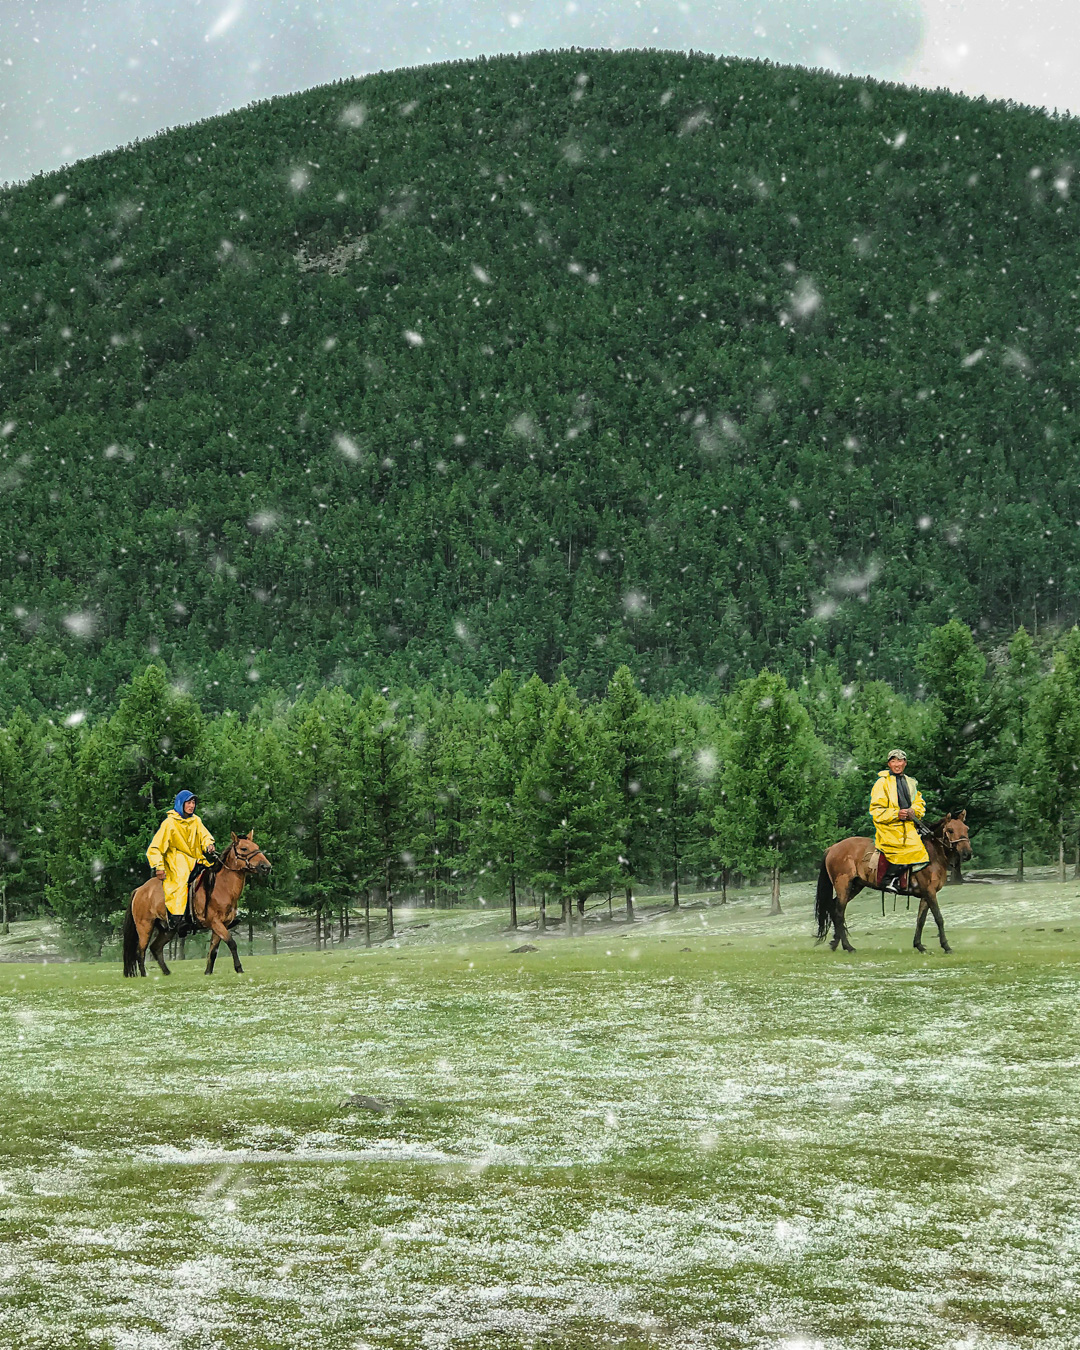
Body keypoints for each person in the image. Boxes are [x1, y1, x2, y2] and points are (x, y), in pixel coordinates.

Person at [147, 790, 217, 930]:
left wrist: (209, 844)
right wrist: (159, 866)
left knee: (213, 875)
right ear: (181, 804)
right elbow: (155, 847)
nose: (192, 806)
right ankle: (177, 918)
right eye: (188, 803)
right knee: (180, 880)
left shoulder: (196, 821)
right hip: (175, 860)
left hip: (195, 859)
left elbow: (204, 835)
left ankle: (216, 914)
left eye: (193, 803)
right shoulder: (169, 823)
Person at [869, 750, 928, 893]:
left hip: (908, 825)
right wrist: (896, 814)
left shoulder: (911, 782)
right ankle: (887, 879)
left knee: (921, 851)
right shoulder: (881, 783)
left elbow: (919, 802)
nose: (897, 764)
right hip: (889, 826)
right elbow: (876, 811)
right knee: (904, 849)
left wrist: (914, 811)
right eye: (894, 761)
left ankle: (910, 881)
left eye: (900, 761)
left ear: (905, 763)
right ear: (889, 764)